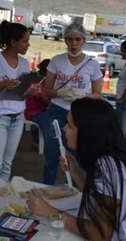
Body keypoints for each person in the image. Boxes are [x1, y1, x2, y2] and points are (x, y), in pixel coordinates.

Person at [21, 98, 126, 241]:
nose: (65, 129)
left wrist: (51, 212)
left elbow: (100, 234)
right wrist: (75, 173)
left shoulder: (110, 167)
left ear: (87, 133)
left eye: (70, 126)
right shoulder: (113, 156)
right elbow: (99, 195)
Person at [42, 22, 103, 185]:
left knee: (77, 159)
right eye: (70, 39)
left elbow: (98, 94)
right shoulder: (57, 61)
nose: (74, 44)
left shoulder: (92, 64)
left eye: (77, 39)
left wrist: (83, 95)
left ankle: (79, 197)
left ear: (83, 40)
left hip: (80, 115)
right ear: (65, 40)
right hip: (56, 112)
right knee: (52, 157)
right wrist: (60, 92)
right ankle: (47, 191)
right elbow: (47, 90)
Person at [0, 20, 31, 181]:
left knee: (7, 163)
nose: (28, 45)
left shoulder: (24, 63)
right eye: (25, 41)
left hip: (17, 118)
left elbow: (24, 93)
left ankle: (0, 200)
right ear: (13, 43)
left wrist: (32, 91)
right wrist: (2, 85)